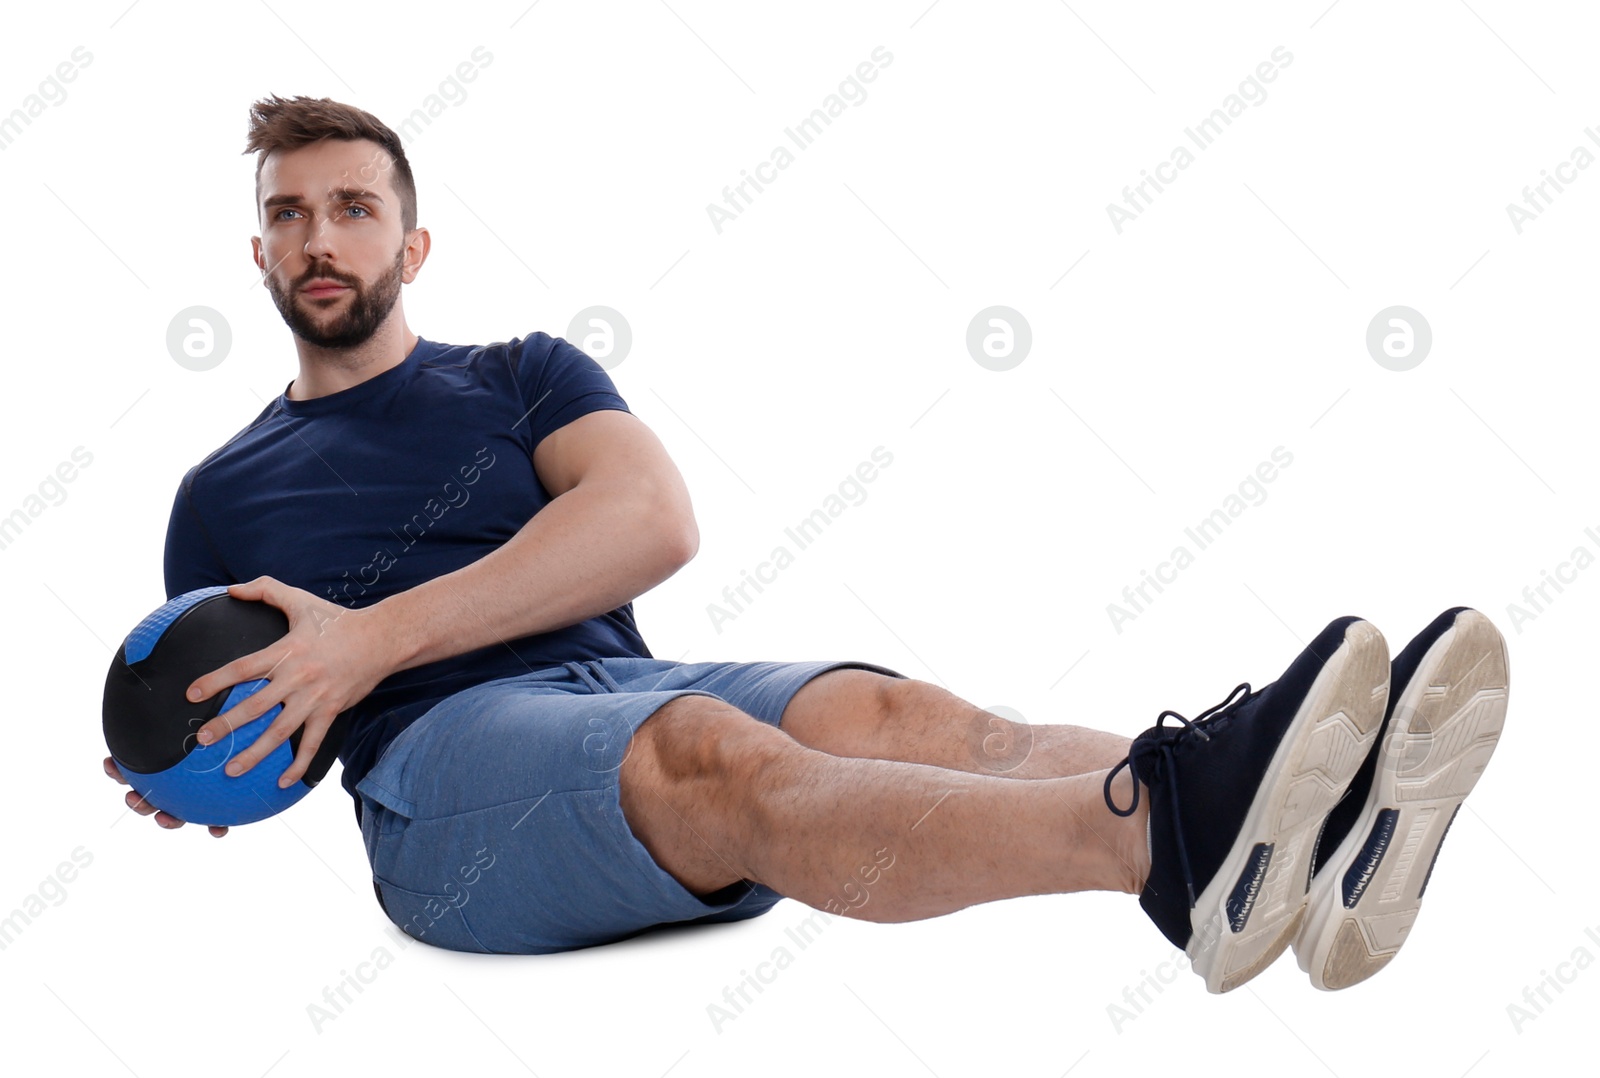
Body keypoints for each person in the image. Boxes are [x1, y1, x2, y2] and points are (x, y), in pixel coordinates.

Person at [103, 95, 1510, 994]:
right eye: (289, 213)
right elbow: (259, 711)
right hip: (443, 770)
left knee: (901, 711)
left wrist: (374, 630)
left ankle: (1318, 828)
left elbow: (647, 520)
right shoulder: (221, 495)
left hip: (614, 681)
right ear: (259, 255)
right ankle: (1173, 840)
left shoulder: (521, 374)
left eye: (354, 206)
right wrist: (194, 765)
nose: (320, 235)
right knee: (716, 754)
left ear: (413, 247)